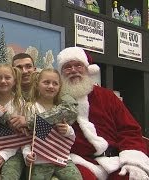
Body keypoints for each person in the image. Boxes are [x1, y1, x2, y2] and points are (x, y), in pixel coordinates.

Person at [57, 46, 149, 180]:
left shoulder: (107, 97)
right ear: (61, 73)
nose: (73, 71)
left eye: (78, 65)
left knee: (130, 176)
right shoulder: (56, 100)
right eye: (67, 67)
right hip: (80, 161)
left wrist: (132, 161)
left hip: (115, 159)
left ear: (87, 69)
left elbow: (129, 130)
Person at [22, 69, 82, 180]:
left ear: (59, 87)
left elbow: (71, 137)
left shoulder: (61, 109)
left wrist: (68, 130)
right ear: (37, 84)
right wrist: (26, 154)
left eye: (55, 83)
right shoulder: (30, 107)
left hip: (62, 157)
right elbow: (25, 137)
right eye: (46, 82)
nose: (51, 86)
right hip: (39, 160)